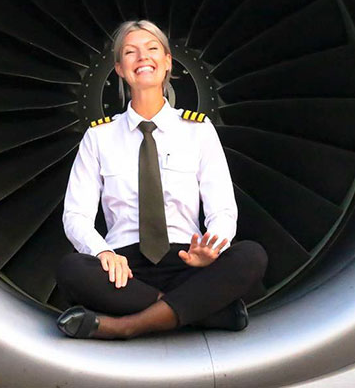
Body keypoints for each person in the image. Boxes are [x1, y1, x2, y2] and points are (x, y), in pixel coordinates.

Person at [56, 19, 267, 340]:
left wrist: (212, 247)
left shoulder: (198, 130)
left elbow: (223, 209)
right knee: (72, 269)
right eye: (131, 52)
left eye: (152, 48)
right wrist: (103, 253)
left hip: (188, 263)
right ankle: (206, 312)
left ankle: (124, 326)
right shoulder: (99, 136)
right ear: (119, 68)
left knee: (250, 256)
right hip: (124, 270)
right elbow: (76, 215)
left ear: (167, 61)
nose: (143, 57)